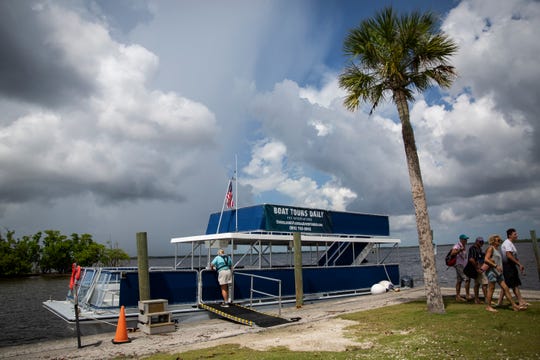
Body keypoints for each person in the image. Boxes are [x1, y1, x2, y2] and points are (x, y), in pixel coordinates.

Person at [484, 234, 525, 312]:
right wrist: (495, 265)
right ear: (493, 241)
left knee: (506, 288)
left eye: (500, 240)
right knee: (491, 289)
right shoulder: (491, 248)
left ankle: (514, 306)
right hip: (492, 272)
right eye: (498, 240)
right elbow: (486, 259)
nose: (500, 242)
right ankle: (488, 307)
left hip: (498, 273)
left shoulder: (496, 249)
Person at [499, 228, 529, 307]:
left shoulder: (510, 243)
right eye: (515, 234)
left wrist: (519, 264)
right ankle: (520, 301)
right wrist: (519, 264)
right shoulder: (507, 243)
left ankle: (500, 302)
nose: (517, 235)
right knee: (514, 284)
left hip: (511, 265)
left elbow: (513, 256)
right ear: (510, 235)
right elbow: (509, 255)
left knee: (506, 284)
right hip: (508, 266)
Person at [465, 236, 488, 304]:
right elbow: (471, 259)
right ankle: (487, 299)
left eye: (482, 242)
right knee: (485, 283)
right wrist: (477, 268)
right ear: (476, 241)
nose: (481, 243)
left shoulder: (479, 249)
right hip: (477, 269)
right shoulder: (473, 248)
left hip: (479, 268)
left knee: (477, 284)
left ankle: (477, 299)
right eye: (480, 242)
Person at [451, 234, 470, 302]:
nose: (466, 240)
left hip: (463, 265)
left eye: (466, 239)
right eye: (465, 239)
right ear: (461, 240)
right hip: (459, 265)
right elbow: (452, 253)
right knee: (467, 279)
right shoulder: (457, 246)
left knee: (459, 280)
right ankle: (467, 295)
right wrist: (459, 250)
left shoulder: (463, 246)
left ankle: (458, 296)